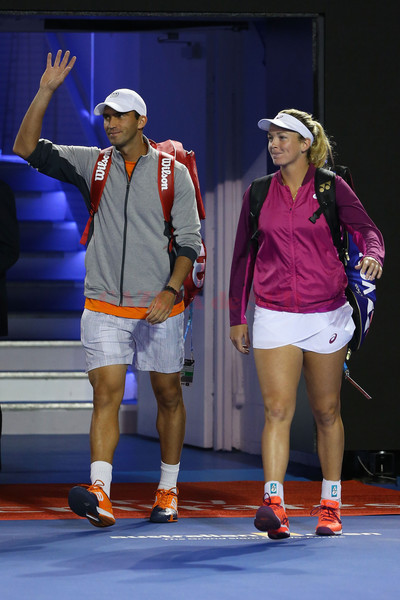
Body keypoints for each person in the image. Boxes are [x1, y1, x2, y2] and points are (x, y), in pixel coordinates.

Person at [13, 50, 202, 527]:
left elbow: (189, 242)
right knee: (106, 394)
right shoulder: (92, 164)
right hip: (102, 304)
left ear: (141, 120)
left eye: (119, 116)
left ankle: (167, 490)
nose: (111, 123)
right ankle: (100, 492)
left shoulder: (172, 172)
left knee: (168, 395)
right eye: (106, 116)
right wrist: (45, 90)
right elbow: (25, 147)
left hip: (160, 306)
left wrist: (170, 291)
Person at [229, 109, 384, 539]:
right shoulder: (259, 192)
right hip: (274, 313)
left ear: (304, 144)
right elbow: (242, 258)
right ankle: (274, 504)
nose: (274, 144)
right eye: (271, 138)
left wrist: (374, 255)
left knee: (326, 411)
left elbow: (368, 231)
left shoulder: (333, 188)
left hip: (326, 314)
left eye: (283, 137)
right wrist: (237, 316)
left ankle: (331, 504)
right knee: (277, 410)